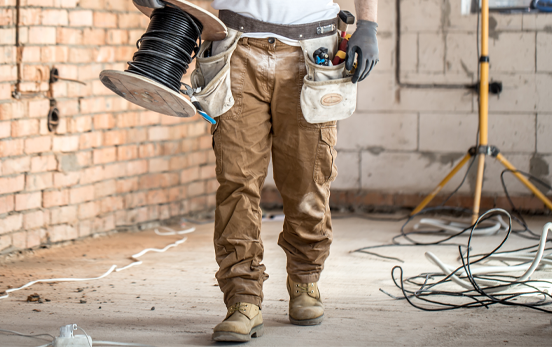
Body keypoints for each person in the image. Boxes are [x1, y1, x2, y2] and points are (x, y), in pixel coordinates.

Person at [135, 0, 379, 342]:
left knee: (308, 182)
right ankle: (242, 300)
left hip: (313, 52)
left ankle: (305, 280)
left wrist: (368, 26)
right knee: (237, 182)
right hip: (236, 47)